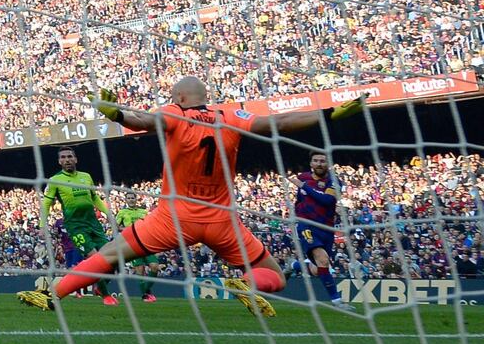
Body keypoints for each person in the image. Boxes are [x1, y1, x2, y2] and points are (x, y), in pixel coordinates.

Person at [18, 77, 363, 313]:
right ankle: (246, 282)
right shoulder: (231, 115)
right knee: (273, 273)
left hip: (174, 218)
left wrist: (115, 113)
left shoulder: (174, 113)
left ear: (180, 98)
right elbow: (283, 123)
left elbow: (141, 121)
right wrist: (329, 114)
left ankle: (52, 295)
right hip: (222, 221)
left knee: (110, 254)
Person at [37, 146, 117, 306]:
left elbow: (95, 198)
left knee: (113, 259)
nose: (67, 160)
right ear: (59, 161)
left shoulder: (86, 177)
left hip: (94, 224)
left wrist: (109, 214)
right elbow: (46, 203)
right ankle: (106, 295)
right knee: (96, 259)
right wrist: (42, 225)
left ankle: (101, 287)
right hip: (76, 226)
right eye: (63, 157)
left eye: (69, 156)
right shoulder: (54, 180)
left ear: (76, 159)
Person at [284, 151, 355, 311]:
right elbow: (300, 200)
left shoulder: (333, 181)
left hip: (326, 228)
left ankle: (295, 265)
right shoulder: (303, 177)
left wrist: (304, 187)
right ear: (311, 164)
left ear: (327, 164)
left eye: (322, 161)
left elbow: (327, 200)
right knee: (323, 260)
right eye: (316, 160)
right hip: (306, 226)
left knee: (318, 270)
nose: (319, 163)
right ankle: (337, 302)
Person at [115, 191, 159, 302]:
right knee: (140, 271)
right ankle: (145, 296)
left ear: (136, 199)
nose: (131, 200)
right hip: (132, 244)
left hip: (146, 243)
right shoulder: (122, 212)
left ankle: (147, 290)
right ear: (126, 200)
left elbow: (151, 224)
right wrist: (127, 229)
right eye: (128, 198)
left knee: (154, 266)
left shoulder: (143, 212)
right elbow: (116, 227)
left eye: (132, 198)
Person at [54, 217, 85, 298]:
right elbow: (57, 234)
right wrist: (56, 233)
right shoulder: (59, 222)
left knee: (74, 269)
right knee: (69, 270)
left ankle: (79, 292)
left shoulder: (75, 220)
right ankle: (79, 289)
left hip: (77, 247)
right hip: (67, 249)